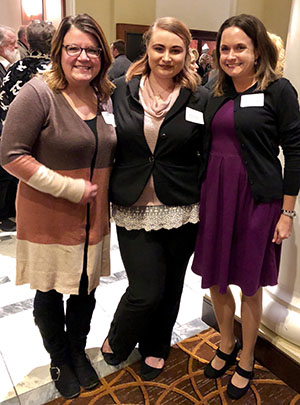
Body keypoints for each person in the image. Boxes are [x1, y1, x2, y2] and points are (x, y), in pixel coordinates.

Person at [0, 13, 116, 399]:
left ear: (102, 54)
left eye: (92, 49)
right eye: (74, 49)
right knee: (49, 292)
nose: (84, 57)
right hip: (49, 216)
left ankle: (77, 350)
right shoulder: (38, 93)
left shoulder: (105, 95)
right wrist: (66, 187)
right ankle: (58, 357)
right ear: (59, 51)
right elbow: (10, 155)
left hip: (93, 218)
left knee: (85, 290)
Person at [191, 14, 300, 400]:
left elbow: (296, 152)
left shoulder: (279, 91)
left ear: (257, 51)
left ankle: (248, 357)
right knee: (217, 280)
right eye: (225, 48)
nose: (232, 55)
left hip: (257, 201)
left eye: (241, 47)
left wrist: (287, 213)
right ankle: (226, 343)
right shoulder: (214, 91)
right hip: (215, 197)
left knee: (250, 284)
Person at [101, 16, 208, 381]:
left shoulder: (200, 97)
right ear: (146, 49)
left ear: (187, 53)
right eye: (159, 48)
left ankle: (157, 346)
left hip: (183, 206)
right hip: (133, 204)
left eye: (175, 50)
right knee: (145, 289)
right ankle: (118, 336)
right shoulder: (118, 90)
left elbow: (207, 155)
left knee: (172, 286)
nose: (166, 57)